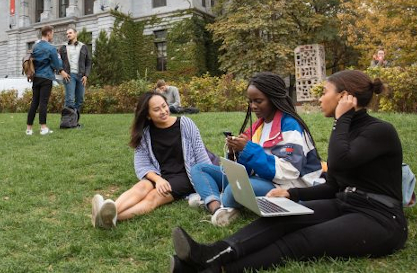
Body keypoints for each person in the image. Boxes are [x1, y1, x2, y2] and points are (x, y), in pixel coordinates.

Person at [170, 70, 407, 273]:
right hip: (344, 203)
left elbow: (341, 160)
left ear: (344, 97)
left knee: (302, 240)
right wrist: (290, 196)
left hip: (380, 218)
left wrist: (341, 120)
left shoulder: (380, 131)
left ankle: (215, 269)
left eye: (325, 92)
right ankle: (212, 253)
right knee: (283, 219)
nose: (321, 98)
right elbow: (333, 185)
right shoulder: (347, 132)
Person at [188, 72, 323, 227]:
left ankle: (214, 200)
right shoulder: (259, 125)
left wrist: (248, 149)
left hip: (286, 186)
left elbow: (289, 170)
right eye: (251, 101)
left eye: (258, 101)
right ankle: (218, 207)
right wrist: (235, 153)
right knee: (200, 169)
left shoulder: (290, 126)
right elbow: (249, 168)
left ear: (274, 99)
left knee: (234, 189)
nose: (253, 106)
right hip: (262, 178)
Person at [91, 92, 212, 229]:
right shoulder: (145, 134)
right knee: (141, 187)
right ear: (148, 115)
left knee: (153, 197)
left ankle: (110, 218)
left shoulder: (186, 124)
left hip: (184, 176)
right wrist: (158, 179)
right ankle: (106, 212)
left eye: (164, 106)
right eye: (156, 109)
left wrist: (211, 181)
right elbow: (142, 166)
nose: (163, 111)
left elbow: (201, 156)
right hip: (159, 174)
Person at [26, 26, 70, 136]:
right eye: (52, 34)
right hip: (46, 77)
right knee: (43, 103)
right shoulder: (51, 48)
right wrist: (61, 69)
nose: (52, 36)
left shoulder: (35, 46)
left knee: (34, 103)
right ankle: (43, 128)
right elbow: (56, 63)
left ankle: (29, 129)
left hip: (36, 78)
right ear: (48, 34)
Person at [58, 27, 92, 123]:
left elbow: (88, 62)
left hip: (81, 76)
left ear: (76, 34)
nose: (68, 35)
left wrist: (86, 75)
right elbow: (56, 61)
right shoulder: (63, 47)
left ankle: (74, 121)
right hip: (69, 75)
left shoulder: (83, 47)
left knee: (80, 100)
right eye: (67, 33)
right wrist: (61, 71)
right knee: (69, 99)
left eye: (70, 33)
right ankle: (66, 122)